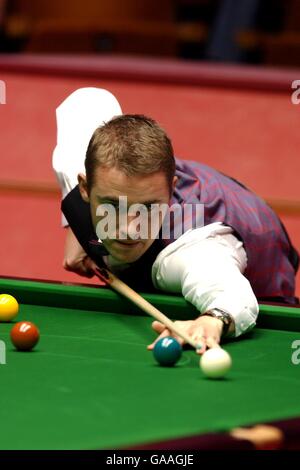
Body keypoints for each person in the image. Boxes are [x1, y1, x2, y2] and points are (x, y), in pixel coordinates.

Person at [53, 87, 299, 354]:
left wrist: (214, 320)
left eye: (148, 207)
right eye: (112, 205)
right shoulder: (79, 161)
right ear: (85, 188)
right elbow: (87, 101)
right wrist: (74, 223)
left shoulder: (193, 247)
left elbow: (229, 292)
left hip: (264, 274)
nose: (129, 229)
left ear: (171, 190)